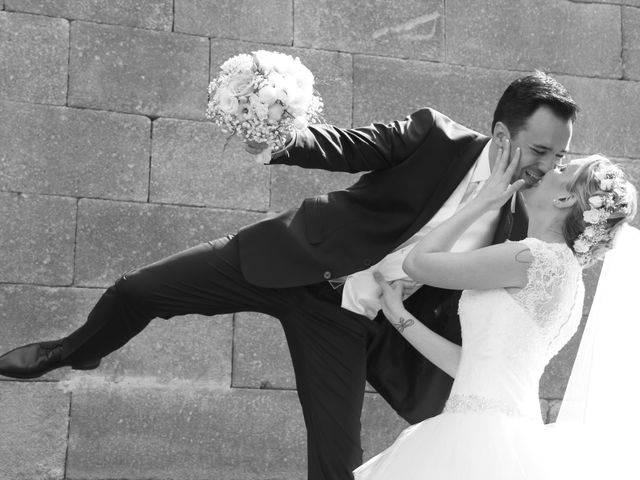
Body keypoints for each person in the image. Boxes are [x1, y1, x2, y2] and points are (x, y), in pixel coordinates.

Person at [0, 72, 577, 480]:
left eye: (557, 158)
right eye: (541, 150)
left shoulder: (518, 226)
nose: (547, 166)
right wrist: (278, 140)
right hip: (295, 257)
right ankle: (71, 349)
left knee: (336, 468)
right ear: (503, 134)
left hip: (350, 325)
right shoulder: (434, 136)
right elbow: (352, 146)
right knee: (137, 291)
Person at [354, 151, 637, 479]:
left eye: (561, 168)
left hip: (479, 435)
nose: (547, 168)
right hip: (508, 432)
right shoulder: (569, 278)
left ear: (564, 197)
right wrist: (398, 315)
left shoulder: (528, 258)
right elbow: (471, 365)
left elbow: (418, 263)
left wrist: (483, 200)